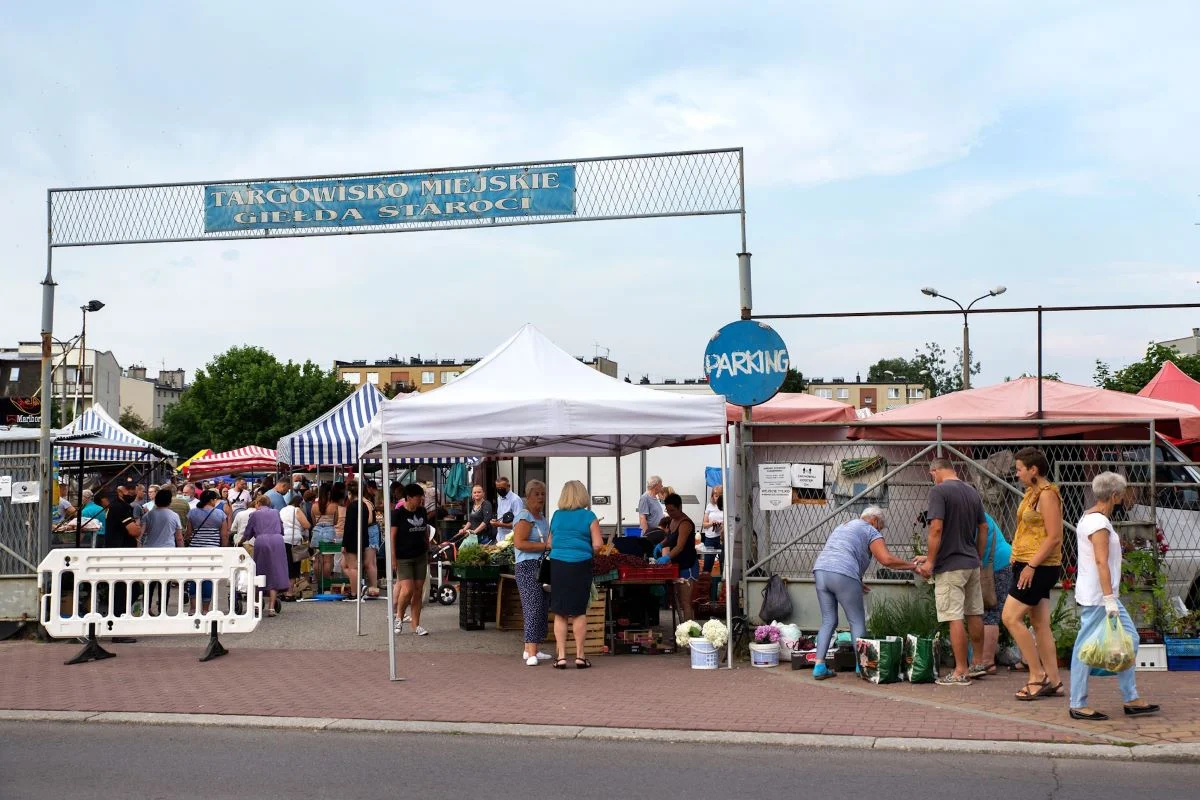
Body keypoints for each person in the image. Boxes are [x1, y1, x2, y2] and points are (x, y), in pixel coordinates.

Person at [1068, 471, 1160, 720]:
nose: (1127, 496)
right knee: (1085, 649)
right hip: (1100, 597)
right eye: (1124, 493)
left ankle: (1130, 697)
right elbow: (1101, 561)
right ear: (1115, 495)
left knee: (1129, 639)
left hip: (1101, 595)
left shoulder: (1091, 517)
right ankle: (1078, 702)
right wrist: (1109, 599)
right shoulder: (1098, 523)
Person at [811, 507, 921, 679]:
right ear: (875, 520)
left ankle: (819, 666)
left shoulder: (843, 526)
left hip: (821, 571)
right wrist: (913, 566)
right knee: (856, 621)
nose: (879, 531)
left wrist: (856, 580)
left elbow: (845, 551)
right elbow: (886, 560)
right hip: (843, 573)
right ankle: (861, 666)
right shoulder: (870, 530)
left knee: (828, 620)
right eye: (880, 527)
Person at [915, 458, 988, 686]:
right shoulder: (971, 491)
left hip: (950, 566)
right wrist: (977, 555)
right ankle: (978, 663)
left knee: (953, 616)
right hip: (971, 563)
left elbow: (936, 528)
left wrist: (930, 562)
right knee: (974, 612)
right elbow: (983, 527)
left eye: (931, 475)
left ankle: (960, 671)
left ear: (934, 471)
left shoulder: (939, 491)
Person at [1000, 447, 1066, 701]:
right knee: (1040, 624)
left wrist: (1031, 566)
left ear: (1033, 469)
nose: (1017, 474)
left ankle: (1037, 675)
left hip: (1038, 567)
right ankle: (1055, 681)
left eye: (1019, 469)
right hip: (1028, 563)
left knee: (1010, 617)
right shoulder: (1032, 493)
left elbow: (1054, 537)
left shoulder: (1047, 495)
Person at [547, 480, 603, 669]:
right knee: (579, 611)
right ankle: (580, 656)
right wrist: (586, 550)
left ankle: (561, 657)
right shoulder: (589, 516)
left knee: (560, 612)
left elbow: (549, 543)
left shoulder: (556, 515)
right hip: (581, 564)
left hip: (558, 565)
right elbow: (598, 545)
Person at [512, 479, 552, 665]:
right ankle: (532, 652)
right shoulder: (524, 516)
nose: (541, 497)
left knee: (542, 607)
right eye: (537, 494)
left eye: (543, 494)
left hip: (542, 566)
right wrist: (545, 546)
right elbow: (519, 543)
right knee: (533, 607)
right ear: (527, 496)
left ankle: (530, 649)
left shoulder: (542, 518)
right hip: (527, 566)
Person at [102, 477, 143, 631]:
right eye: (129, 489)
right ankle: (117, 626)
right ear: (120, 490)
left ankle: (118, 622)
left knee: (130, 589)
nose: (132, 492)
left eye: (134, 488)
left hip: (121, 552)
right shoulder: (120, 507)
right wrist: (138, 527)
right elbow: (134, 531)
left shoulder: (120, 506)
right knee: (124, 590)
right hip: (120, 553)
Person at [391, 484, 431, 635]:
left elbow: (425, 531)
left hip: (420, 555)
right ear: (408, 497)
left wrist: (428, 548)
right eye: (418, 498)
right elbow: (392, 537)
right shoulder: (398, 513)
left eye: (421, 498)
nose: (420, 501)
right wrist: (393, 558)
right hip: (403, 557)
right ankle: (399, 617)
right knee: (407, 590)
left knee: (418, 591)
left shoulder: (422, 511)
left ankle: (416, 625)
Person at [240, 495, 290, 616]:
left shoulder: (254, 514)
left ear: (258, 503)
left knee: (260, 571)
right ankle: (271, 607)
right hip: (277, 541)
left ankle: (257, 605)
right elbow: (281, 529)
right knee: (275, 572)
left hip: (262, 540)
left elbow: (248, 532)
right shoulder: (276, 512)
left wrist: (240, 542)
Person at [978, 512, 1013, 675]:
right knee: (1011, 614)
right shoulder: (980, 512)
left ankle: (987, 662)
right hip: (1005, 561)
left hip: (998, 566)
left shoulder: (971, 515)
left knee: (991, 613)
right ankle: (1027, 659)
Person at [185, 490, 230, 614]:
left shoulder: (192, 512)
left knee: (193, 578)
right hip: (212, 551)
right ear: (211, 500)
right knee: (208, 579)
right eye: (215, 499)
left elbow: (188, 533)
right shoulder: (220, 514)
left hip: (195, 549)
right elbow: (224, 535)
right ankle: (205, 609)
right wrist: (224, 549)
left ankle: (193, 608)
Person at [141, 487, 184, 614]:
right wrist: (182, 552)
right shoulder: (174, 516)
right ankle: (162, 610)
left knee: (149, 582)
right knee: (165, 582)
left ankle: (147, 608)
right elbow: (179, 537)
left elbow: (141, 534)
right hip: (167, 553)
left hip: (149, 552)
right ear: (169, 501)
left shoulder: (148, 515)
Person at [657, 493, 699, 622]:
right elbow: (670, 538)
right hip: (677, 566)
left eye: (673, 510)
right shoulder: (672, 521)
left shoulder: (685, 523)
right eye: (668, 510)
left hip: (688, 566)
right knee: (679, 601)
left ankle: (690, 630)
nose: (670, 513)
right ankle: (683, 627)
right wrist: (660, 545)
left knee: (685, 601)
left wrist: (666, 557)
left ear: (680, 507)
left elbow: (680, 546)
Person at [341, 482, 371, 601]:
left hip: (352, 539)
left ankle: (355, 592)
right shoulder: (364, 505)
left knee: (352, 567)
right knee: (345, 565)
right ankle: (357, 586)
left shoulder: (352, 506)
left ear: (350, 493)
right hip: (361, 538)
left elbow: (348, 526)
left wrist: (344, 543)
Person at [309, 483, 343, 586]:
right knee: (328, 559)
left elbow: (313, 522)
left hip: (317, 532)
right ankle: (326, 583)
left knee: (317, 559)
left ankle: (319, 583)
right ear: (329, 493)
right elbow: (335, 521)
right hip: (329, 532)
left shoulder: (314, 506)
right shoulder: (334, 506)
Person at [278, 493, 311, 599]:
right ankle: (289, 592)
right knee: (293, 567)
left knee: (284, 566)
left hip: (282, 539)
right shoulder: (296, 510)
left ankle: (283, 591)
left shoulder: (282, 510)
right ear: (300, 504)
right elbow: (307, 525)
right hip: (294, 541)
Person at [491, 476, 525, 543]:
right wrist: (496, 521)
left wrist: (500, 524)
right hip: (499, 537)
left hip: (511, 540)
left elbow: (518, 524)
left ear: (508, 486)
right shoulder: (499, 498)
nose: (499, 490)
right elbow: (502, 516)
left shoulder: (515, 500)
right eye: (498, 488)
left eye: (502, 488)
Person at [700, 485, 724, 574]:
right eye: (715, 495)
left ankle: (722, 581)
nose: (717, 498)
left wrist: (722, 525)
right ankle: (707, 581)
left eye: (720, 496)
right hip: (710, 538)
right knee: (707, 564)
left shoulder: (726, 506)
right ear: (712, 496)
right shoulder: (709, 506)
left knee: (723, 564)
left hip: (722, 538)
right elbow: (704, 524)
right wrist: (711, 523)